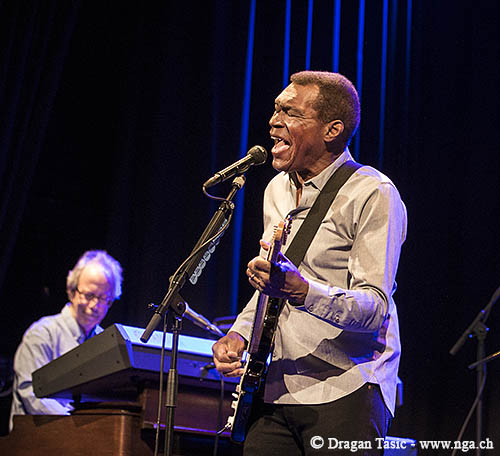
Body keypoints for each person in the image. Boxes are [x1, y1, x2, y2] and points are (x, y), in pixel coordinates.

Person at [212, 71, 407, 455]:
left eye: (291, 112)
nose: (274, 121)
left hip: (346, 388)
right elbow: (273, 286)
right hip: (276, 387)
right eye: (276, 109)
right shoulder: (276, 190)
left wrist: (303, 291)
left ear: (332, 130)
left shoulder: (373, 193)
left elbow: (374, 307)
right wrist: (240, 333)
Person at [9, 250, 123, 431]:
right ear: (71, 291)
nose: (95, 306)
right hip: (37, 437)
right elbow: (31, 393)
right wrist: (76, 426)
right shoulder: (42, 334)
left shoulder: (106, 342)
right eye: (89, 295)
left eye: (103, 298)